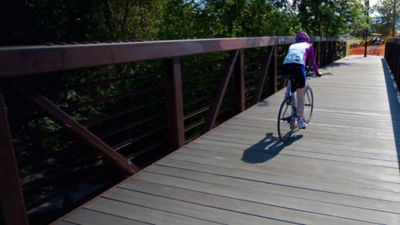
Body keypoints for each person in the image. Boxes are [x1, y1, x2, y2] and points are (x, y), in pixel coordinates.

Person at [282, 31, 321, 129]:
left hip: (285, 67)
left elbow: (290, 59)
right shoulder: (309, 45)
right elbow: (312, 62)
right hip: (298, 67)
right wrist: (317, 72)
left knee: (290, 76)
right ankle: (300, 121)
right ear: (307, 39)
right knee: (300, 97)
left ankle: (287, 93)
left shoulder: (291, 46)